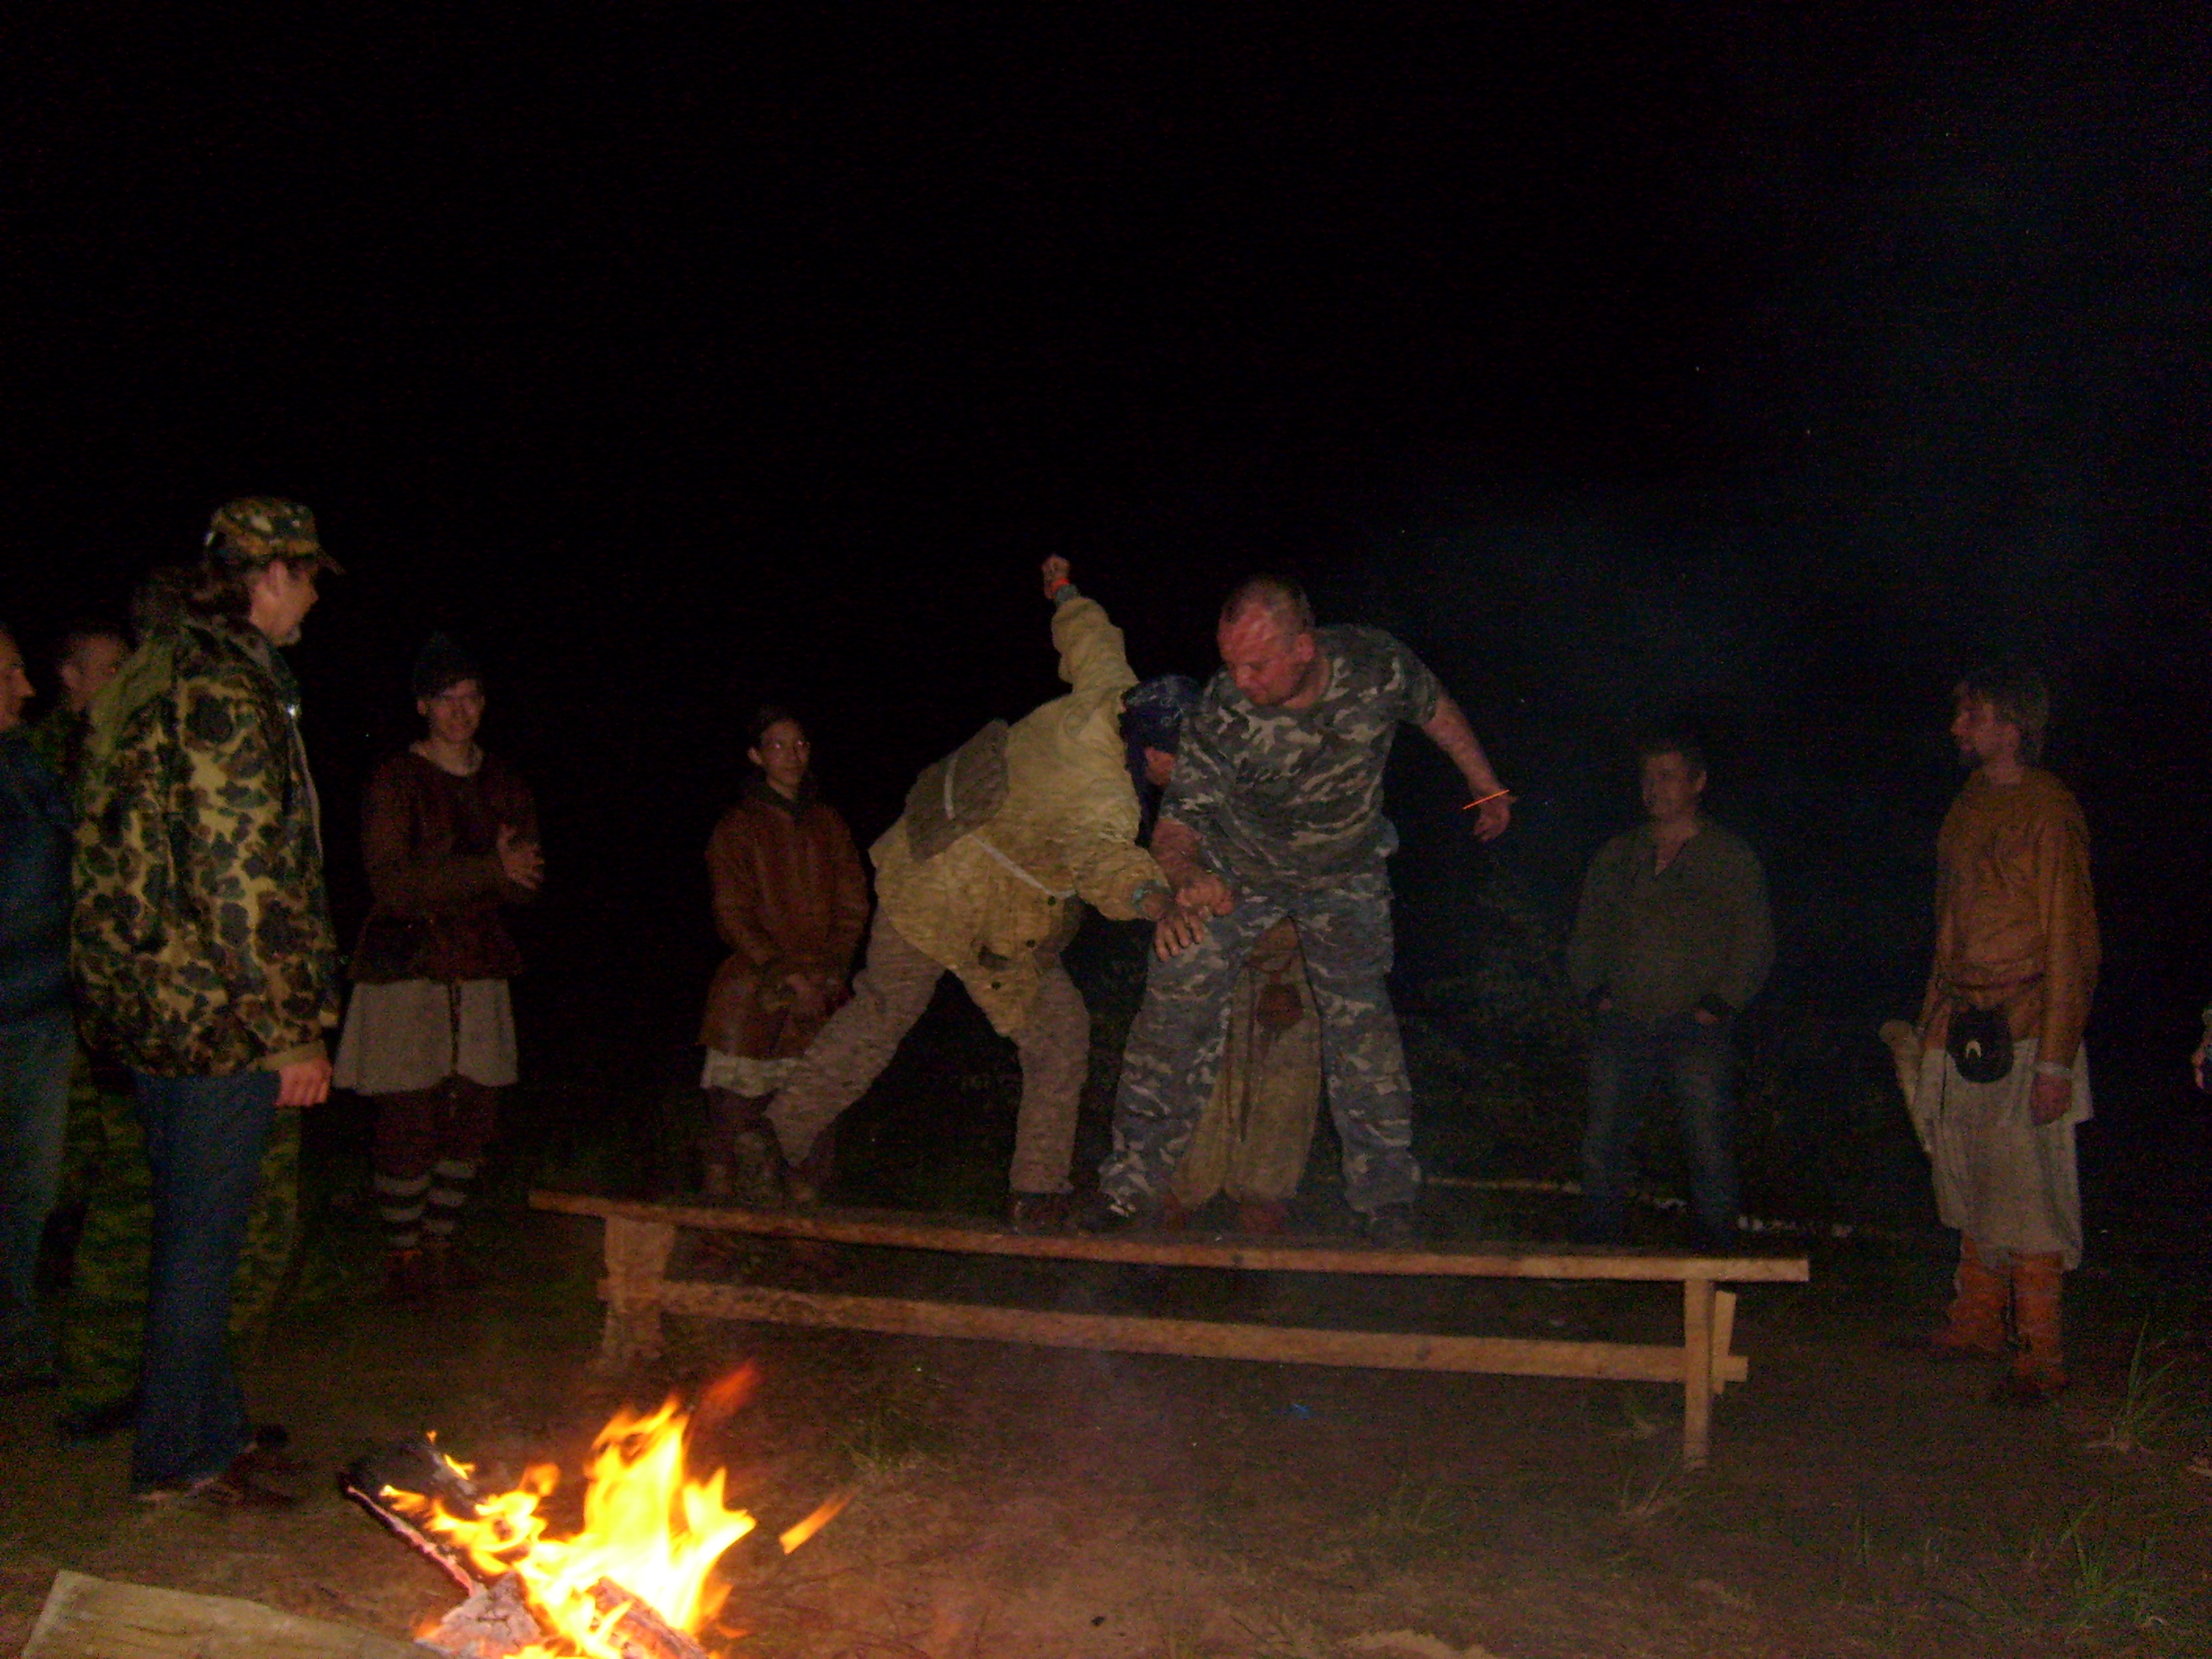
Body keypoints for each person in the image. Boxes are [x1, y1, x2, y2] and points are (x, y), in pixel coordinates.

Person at [1093, 574, 1511, 1243]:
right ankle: (1130, 1188)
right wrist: (1188, 878)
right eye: (1230, 663)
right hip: (1241, 869)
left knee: (1361, 1023)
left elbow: (1435, 708)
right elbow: (1178, 824)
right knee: (1174, 993)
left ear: (1304, 648)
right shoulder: (1222, 713)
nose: (1240, 680)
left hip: (1344, 872)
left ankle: (1386, 1200)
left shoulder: (1375, 664)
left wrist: (1485, 785)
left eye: (1256, 665)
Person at [764, 558, 1177, 1231]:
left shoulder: (1114, 695)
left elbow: (1091, 637)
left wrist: (1063, 590)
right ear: (1154, 750)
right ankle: (1036, 1194)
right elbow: (1105, 862)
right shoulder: (1106, 793)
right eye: (1177, 763)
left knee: (879, 1012)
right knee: (1058, 1034)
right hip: (981, 910)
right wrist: (1156, 899)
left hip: (924, 863)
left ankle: (772, 1135)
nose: (1177, 776)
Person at [72, 497, 343, 1503]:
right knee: (203, 1242)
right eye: (307, 577)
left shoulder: (170, 670)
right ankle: (177, 1456)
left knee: (198, 1231)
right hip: (213, 1018)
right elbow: (238, 877)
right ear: (268, 575)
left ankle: (212, 1431)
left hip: (162, 1007)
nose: (313, 597)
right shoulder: (224, 689)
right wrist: (288, 1032)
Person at [1902, 668, 2097, 1405]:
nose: (1958, 728)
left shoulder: (2049, 809)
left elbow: (2071, 936)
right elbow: (1949, 926)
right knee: (1969, 1172)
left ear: (2012, 727)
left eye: (1974, 716)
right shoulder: (1969, 805)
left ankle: (2041, 1351)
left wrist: (2055, 1061)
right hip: (1963, 1023)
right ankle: (1977, 1322)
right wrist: (1932, 1030)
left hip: (2028, 1025)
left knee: (2029, 1187)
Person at [335, 635, 542, 1300]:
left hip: (480, 959)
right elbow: (393, 884)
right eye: (447, 698)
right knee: (408, 1110)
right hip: (408, 962)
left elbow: (526, 880)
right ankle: (403, 1252)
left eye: (471, 697)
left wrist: (504, 876)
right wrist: (487, 870)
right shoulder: (395, 780)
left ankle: (441, 1242)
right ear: (423, 705)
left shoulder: (503, 781)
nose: (461, 710)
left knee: (476, 1108)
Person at [1122, 673, 1323, 1236]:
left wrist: (1286, 970)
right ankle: (1174, 1203)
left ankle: (1262, 1215)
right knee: (1199, 1084)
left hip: (1286, 958)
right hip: (1215, 961)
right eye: (1152, 748)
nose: (1158, 761)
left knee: (1283, 1086)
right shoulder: (1161, 801)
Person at [1566, 734, 1773, 1250]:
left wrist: (1718, 1005)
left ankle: (1715, 1258)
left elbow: (1755, 940)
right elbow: (1587, 931)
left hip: (1695, 1025)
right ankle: (1596, 1255)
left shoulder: (1728, 856)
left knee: (1706, 1143)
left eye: (1667, 777)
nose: (1653, 789)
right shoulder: (1619, 854)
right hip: (1623, 1019)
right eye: (1647, 778)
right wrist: (1595, 993)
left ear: (1697, 783)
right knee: (1604, 1141)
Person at [698, 706, 870, 1205]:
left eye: (800, 745)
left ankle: (805, 1234)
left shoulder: (829, 823)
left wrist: (830, 970)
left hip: (821, 987)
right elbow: (731, 910)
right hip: (754, 983)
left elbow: (853, 904)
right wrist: (783, 972)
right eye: (778, 745)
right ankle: (718, 1232)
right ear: (756, 755)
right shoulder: (737, 826)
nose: (792, 755)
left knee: (815, 1118)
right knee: (734, 1118)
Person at [0, 623, 75, 1391]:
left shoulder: (25, 760)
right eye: (7, 674)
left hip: (38, 1011)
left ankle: (16, 1335)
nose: (25, 688)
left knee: (28, 1188)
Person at [27, 621, 128, 784]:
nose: (124, 680)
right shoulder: (46, 746)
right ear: (72, 676)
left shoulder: (124, 728)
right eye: (112, 670)